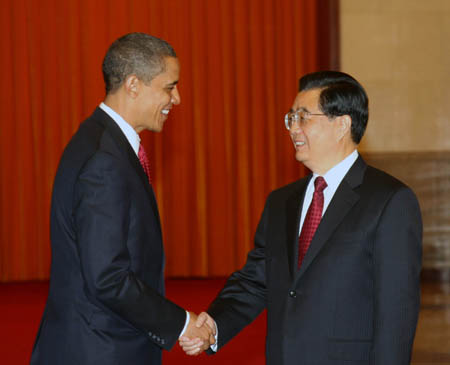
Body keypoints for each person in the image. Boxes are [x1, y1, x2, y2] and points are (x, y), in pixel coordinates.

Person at [180, 71, 422, 364]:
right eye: (290, 118)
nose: (293, 128)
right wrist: (214, 325)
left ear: (342, 124)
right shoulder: (281, 201)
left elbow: (396, 313)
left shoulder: (390, 201)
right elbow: (256, 281)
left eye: (303, 117)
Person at [30, 33, 214, 365]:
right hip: (100, 348)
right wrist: (182, 323)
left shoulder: (99, 139)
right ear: (133, 85)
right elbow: (107, 277)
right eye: (169, 87)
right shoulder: (105, 159)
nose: (178, 99)